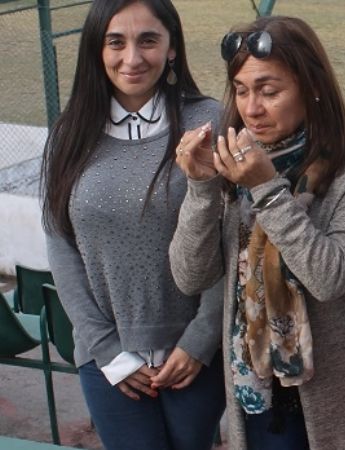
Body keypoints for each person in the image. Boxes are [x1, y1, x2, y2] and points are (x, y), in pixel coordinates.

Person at [168, 15, 345, 450]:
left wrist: (267, 190)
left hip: (338, 396)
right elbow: (190, 277)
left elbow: (328, 278)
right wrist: (201, 187)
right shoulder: (234, 163)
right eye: (241, 90)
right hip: (257, 393)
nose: (252, 109)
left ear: (312, 87)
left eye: (269, 92)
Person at [40, 1, 225, 449]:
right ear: (96, 49)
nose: (132, 57)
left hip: (195, 356)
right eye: (115, 42)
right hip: (108, 360)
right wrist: (107, 349)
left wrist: (200, 340)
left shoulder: (211, 122)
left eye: (148, 40)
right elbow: (61, 246)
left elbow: (232, 238)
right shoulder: (68, 134)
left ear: (172, 47)